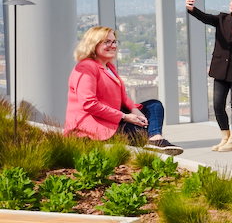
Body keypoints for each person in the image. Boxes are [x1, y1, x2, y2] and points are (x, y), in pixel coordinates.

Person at [65, 26, 183, 155]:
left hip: (113, 118)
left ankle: (155, 140)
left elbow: (123, 97)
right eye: (107, 42)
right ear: (93, 44)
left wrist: (135, 111)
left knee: (154, 106)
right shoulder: (86, 67)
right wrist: (125, 117)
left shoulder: (108, 66)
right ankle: (151, 139)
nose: (113, 45)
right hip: (94, 126)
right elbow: (89, 103)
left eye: (114, 41)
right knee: (142, 131)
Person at [186, 0, 232, 151]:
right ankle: (225, 137)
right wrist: (191, 8)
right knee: (218, 105)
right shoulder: (222, 18)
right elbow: (205, 17)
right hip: (220, 68)